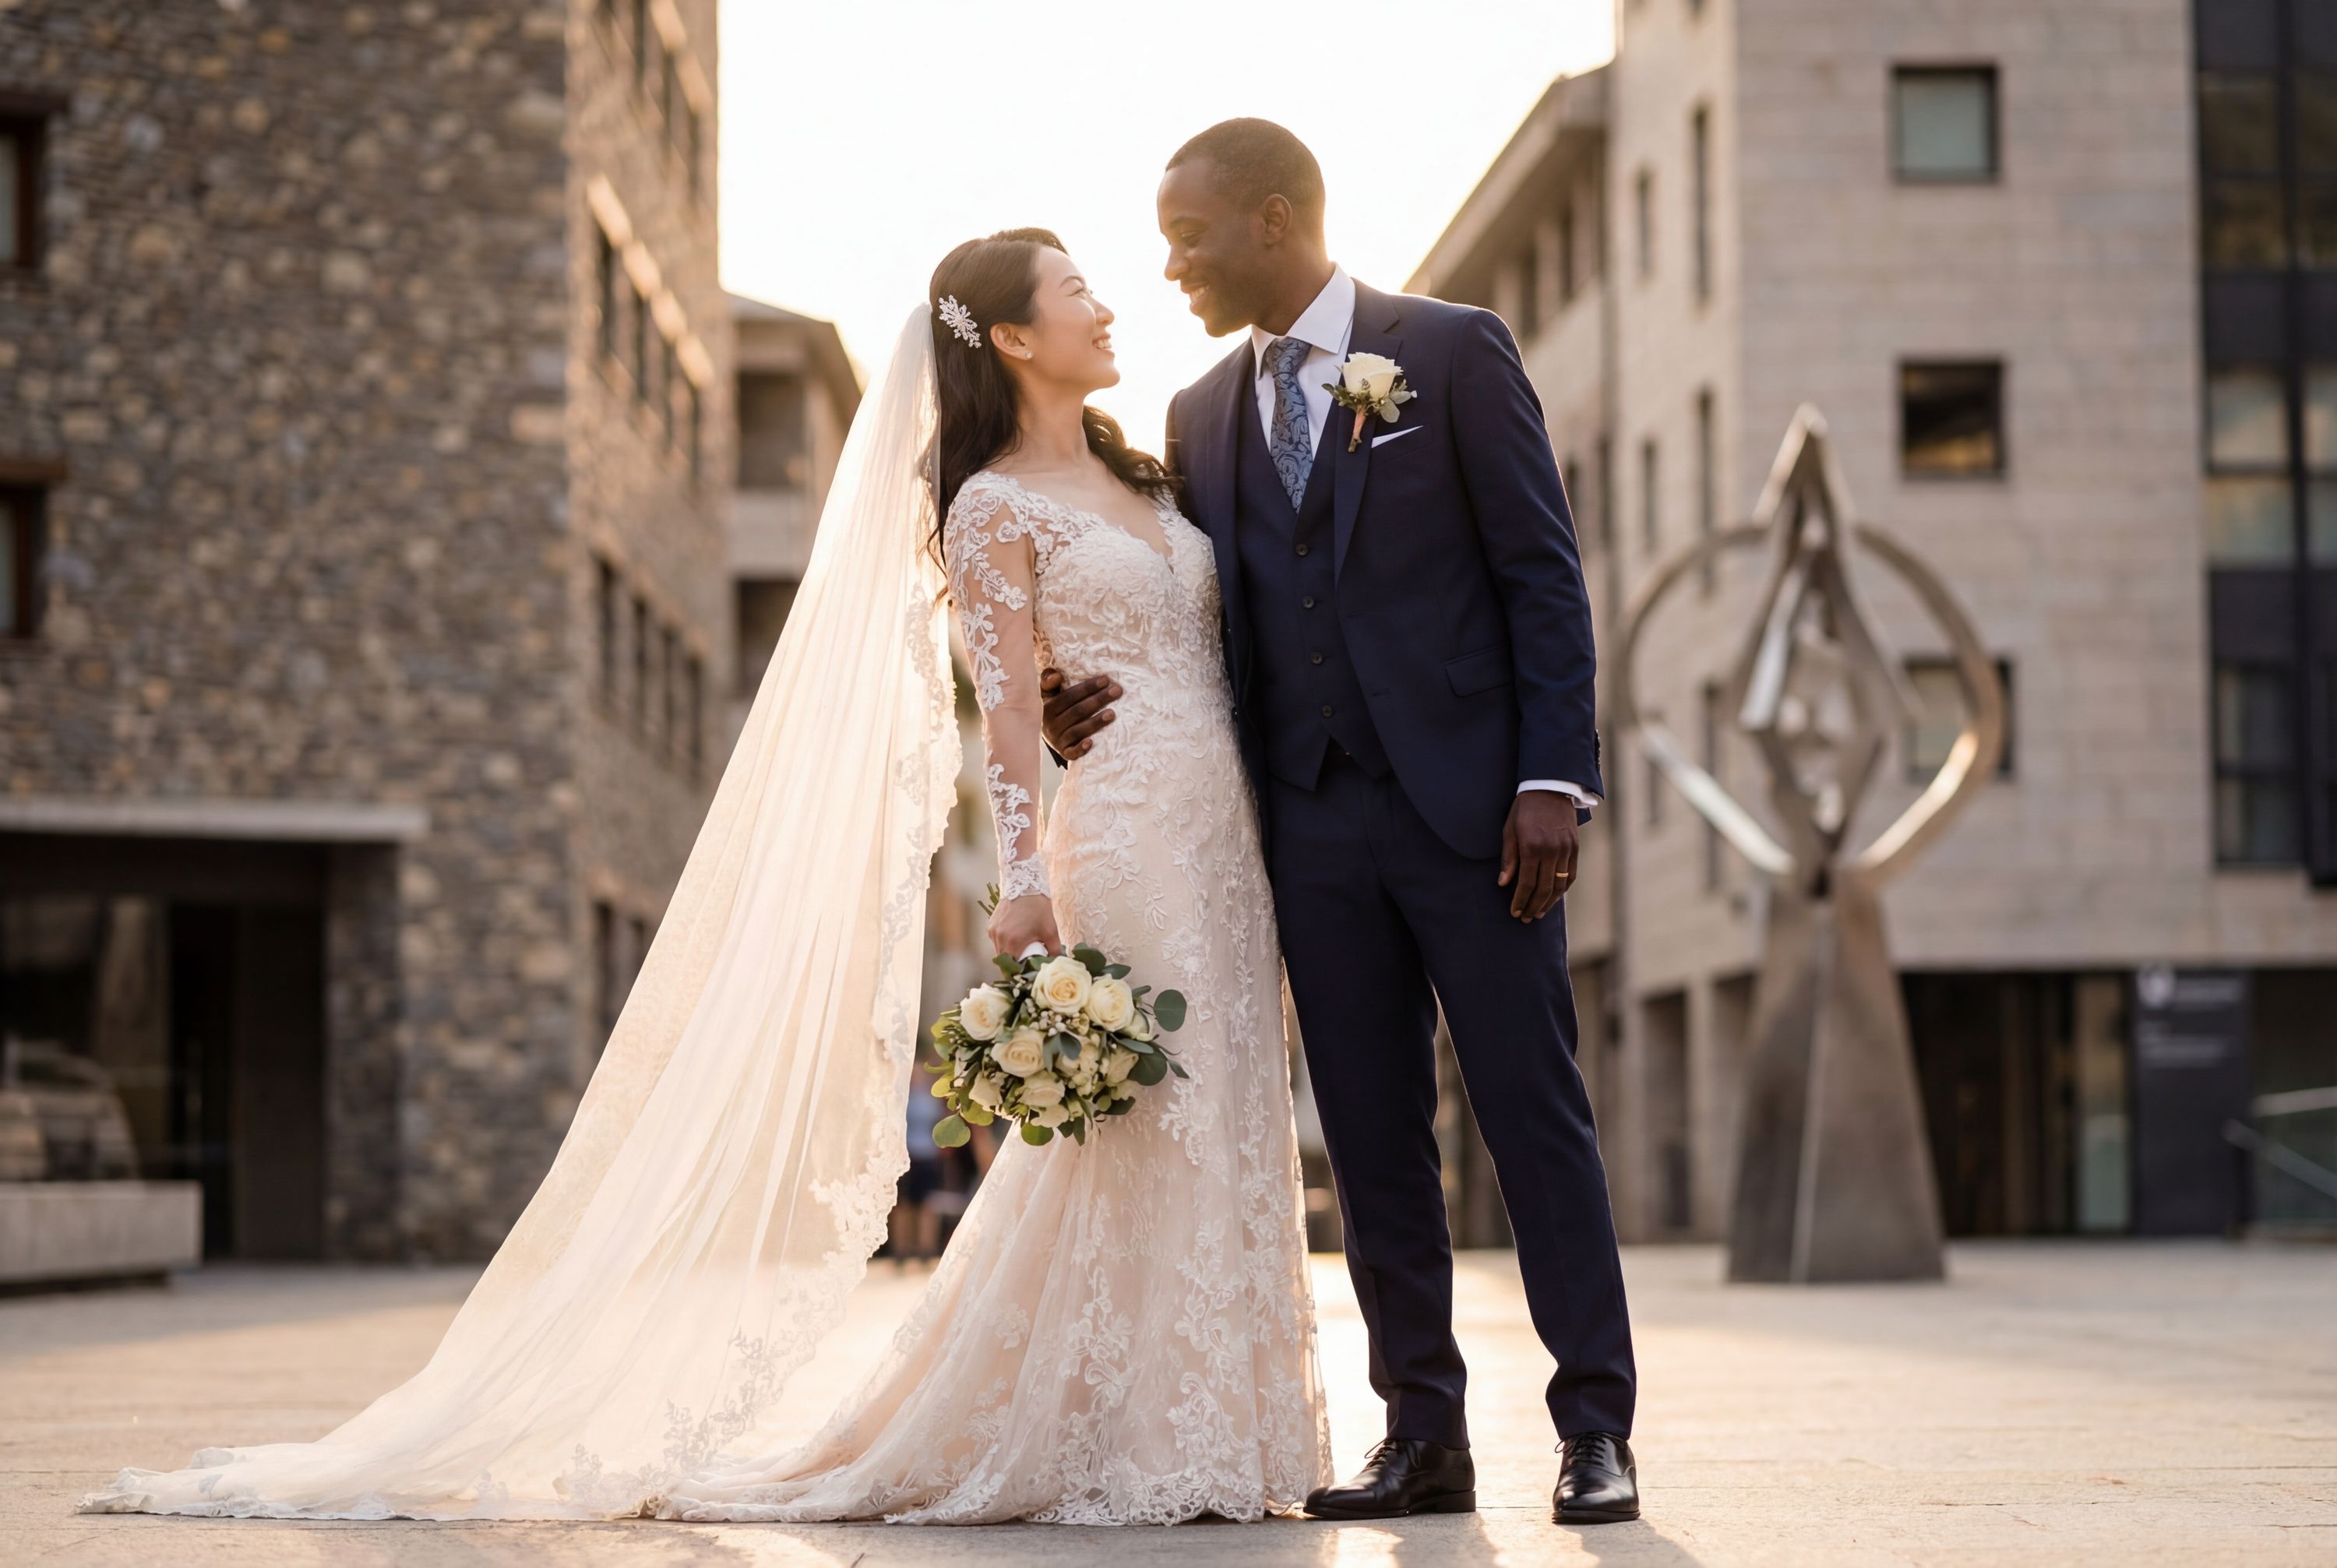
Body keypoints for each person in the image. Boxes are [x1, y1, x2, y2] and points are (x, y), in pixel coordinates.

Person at [79, 224, 1329, 1526]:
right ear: (1014, 335)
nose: (1105, 306)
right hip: (1123, 836)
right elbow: (1008, 709)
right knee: (1140, 1113)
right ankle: (1144, 1435)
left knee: (1221, 1099)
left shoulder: (1151, 475)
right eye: (1077, 291)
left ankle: (1208, 1419)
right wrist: (1022, 878)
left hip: (1226, 835)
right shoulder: (989, 506)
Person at [1043, 118, 1639, 1524]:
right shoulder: (1198, 414)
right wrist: (1071, 694)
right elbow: (1186, 604)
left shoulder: (1452, 350)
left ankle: (1595, 1428)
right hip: (1306, 830)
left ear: (1273, 216)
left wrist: (1553, 778)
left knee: (1532, 1116)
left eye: (1189, 236)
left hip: (1478, 816)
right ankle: (1423, 1431)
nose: (1172, 266)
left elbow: (1542, 575)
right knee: (1373, 1142)